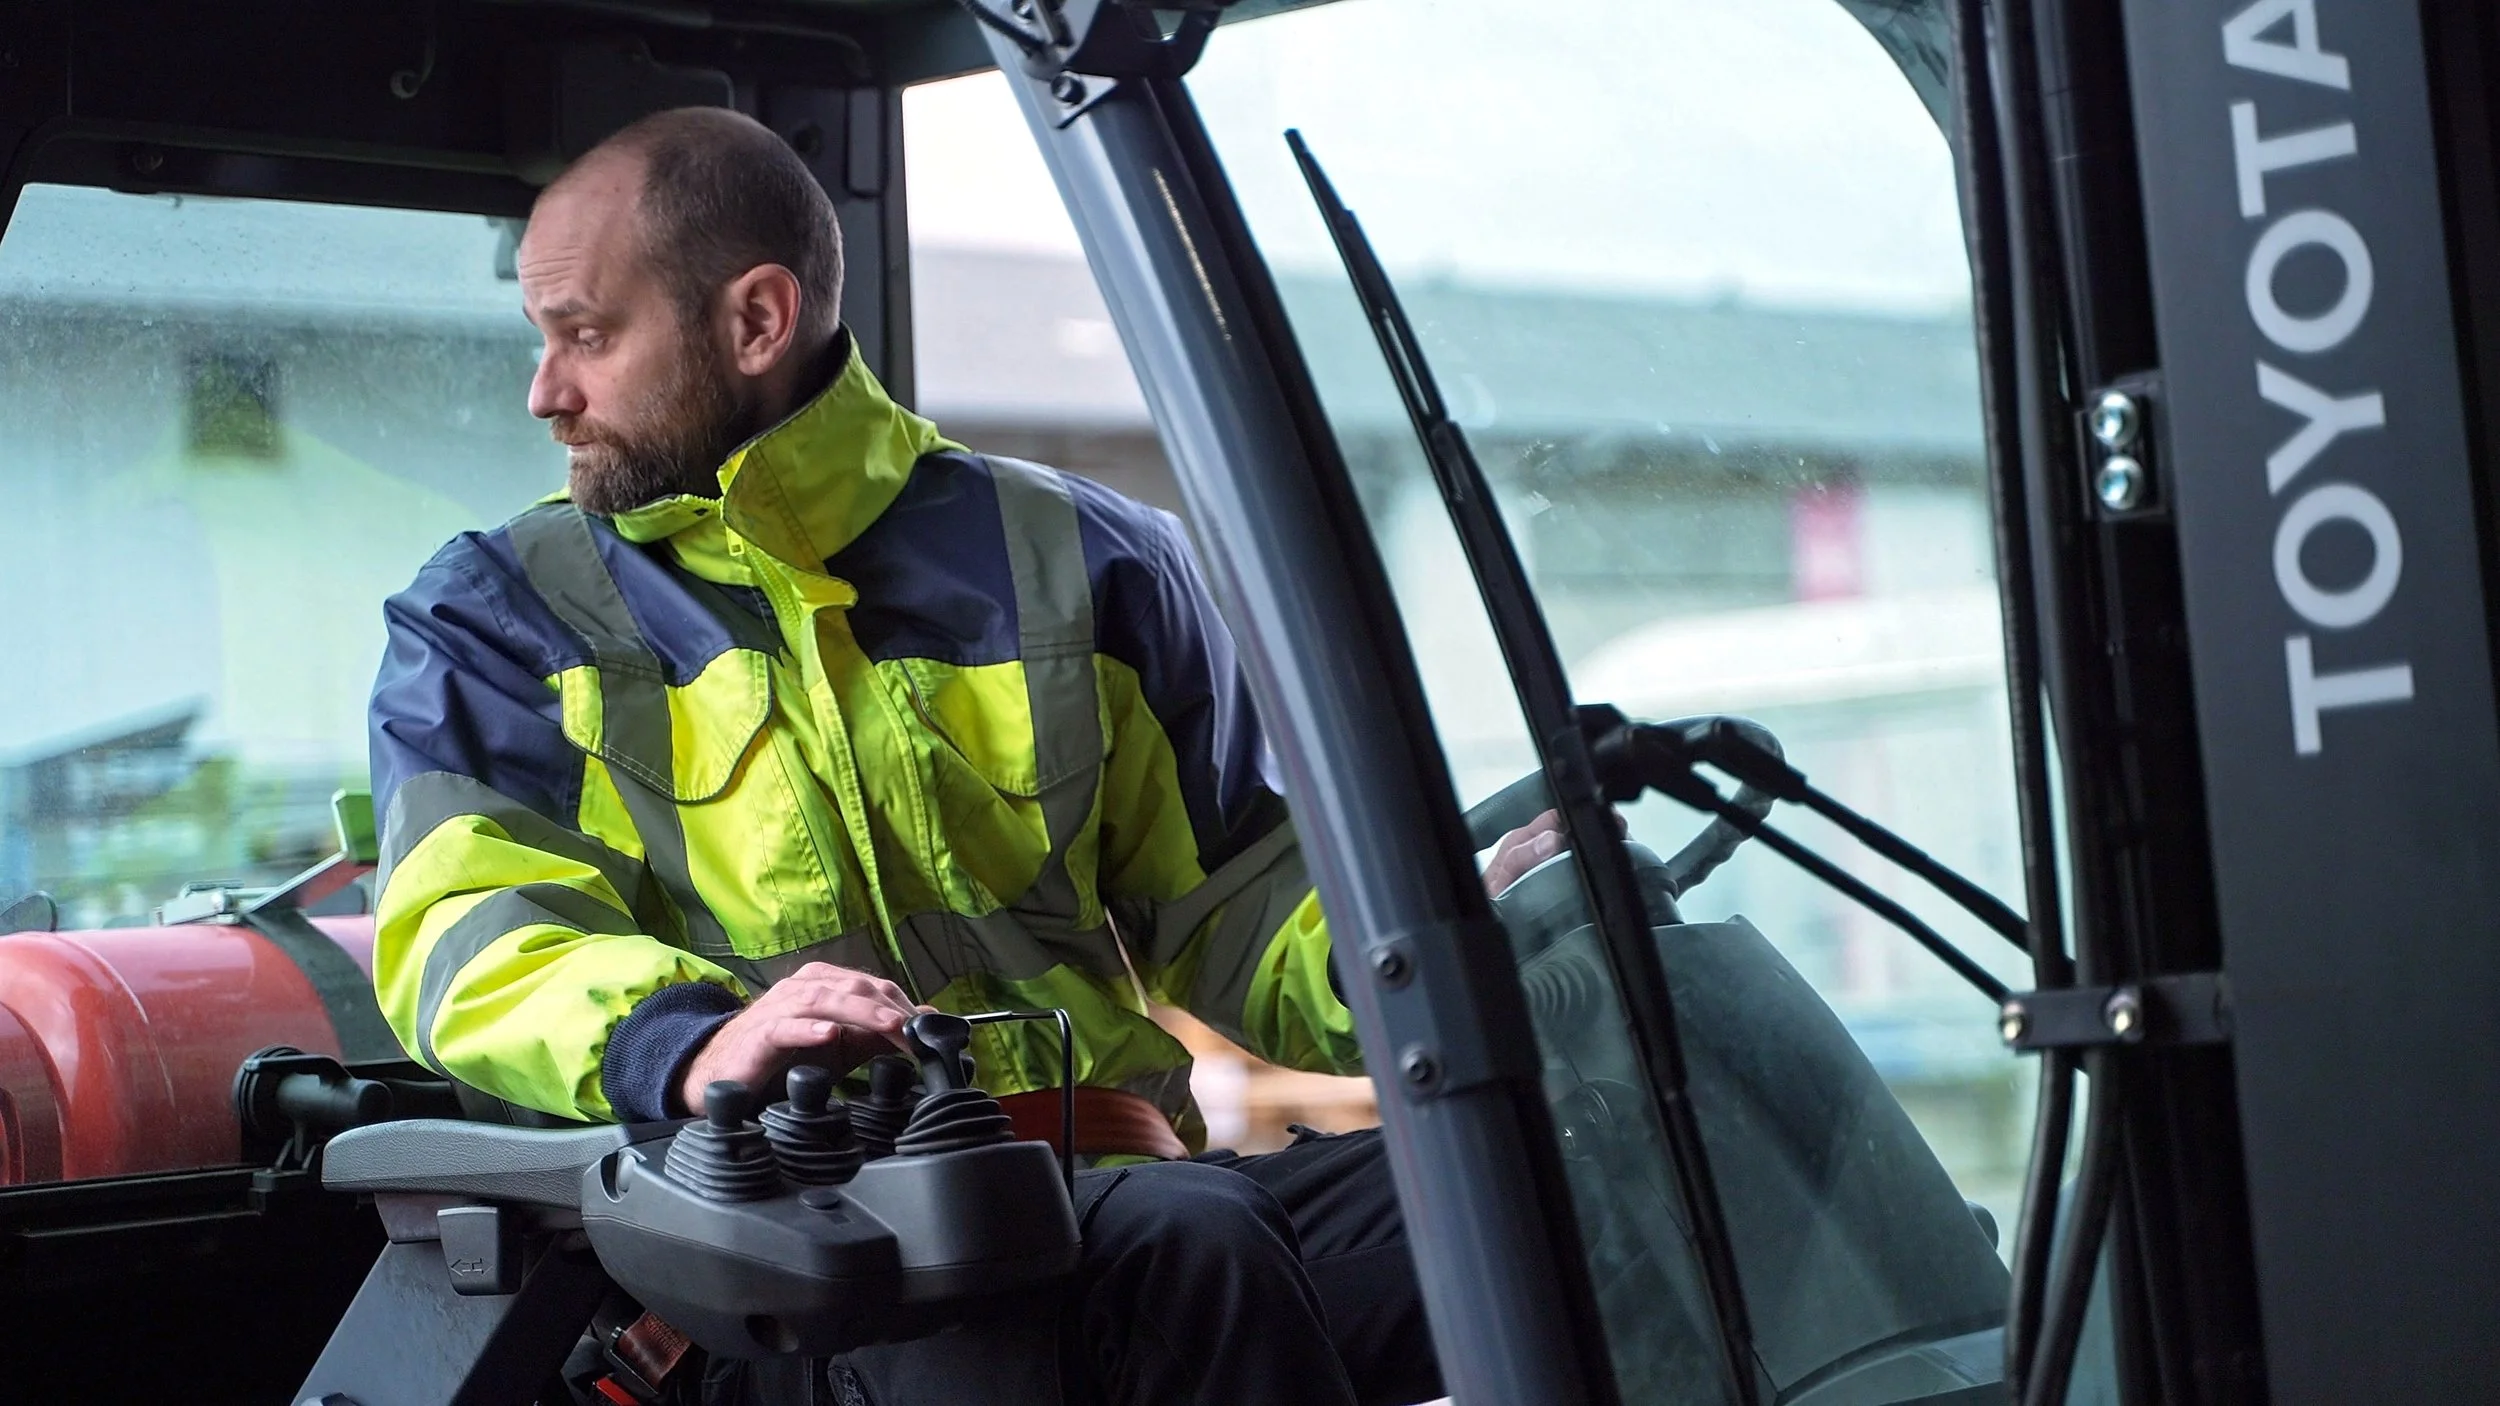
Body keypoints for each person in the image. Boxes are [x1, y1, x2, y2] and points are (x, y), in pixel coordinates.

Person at [368, 104, 1557, 1406]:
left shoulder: (1086, 562)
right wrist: (694, 1039)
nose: (548, 393)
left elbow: (1241, 906)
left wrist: (1470, 932)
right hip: (787, 1255)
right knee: (1192, 1252)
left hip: (1099, 1181)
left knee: (1605, 1174)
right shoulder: (498, 614)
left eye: (586, 336)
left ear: (755, 321)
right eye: (548, 341)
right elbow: (465, 927)